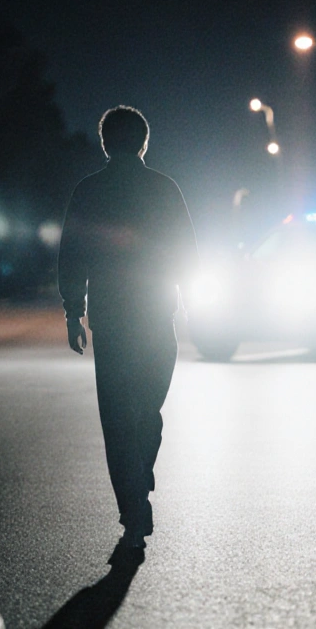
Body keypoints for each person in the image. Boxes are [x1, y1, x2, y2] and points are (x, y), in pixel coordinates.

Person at [58, 105, 198, 556]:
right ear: (143, 142)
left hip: (113, 323)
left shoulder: (88, 191)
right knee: (148, 411)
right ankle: (138, 498)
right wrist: (192, 301)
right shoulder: (164, 188)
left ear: (105, 143)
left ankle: (133, 501)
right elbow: (186, 250)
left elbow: (71, 255)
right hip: (157, 319)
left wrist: (71, 312)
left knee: (118, 420)